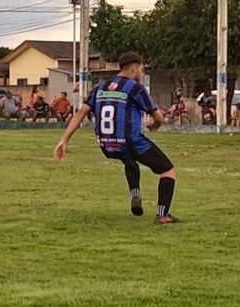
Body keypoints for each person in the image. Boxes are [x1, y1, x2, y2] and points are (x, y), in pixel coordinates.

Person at [54, 52, 180, 225]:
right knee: (168, 170)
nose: (141, 74)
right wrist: (154, 126)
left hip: (107, 144)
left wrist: (64, 139)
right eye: (141, 70)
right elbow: (158, 117)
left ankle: (135, 195)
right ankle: (162, 215)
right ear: (135, 68)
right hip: (131, 141)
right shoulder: (135, 88)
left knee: (129, 160)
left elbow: (81, 112)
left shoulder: (101, 87)